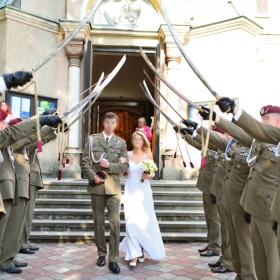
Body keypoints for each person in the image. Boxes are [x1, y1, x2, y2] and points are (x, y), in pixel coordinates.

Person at [211, 100, 280, 280]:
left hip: (270, 210)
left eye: (266, 119)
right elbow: (241, 133)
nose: (261, 122)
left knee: (273, 262)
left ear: (278, 123)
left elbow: (258, 130)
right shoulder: (261, 140)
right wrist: (217, 118)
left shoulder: (273, 139)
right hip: (254, 205)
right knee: (259, 259)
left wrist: (235, 110)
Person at [81, 112, 129, 274]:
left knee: (115, 223)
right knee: (98, 223)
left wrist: (110, 165)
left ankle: (114, 258)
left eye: (112, 123)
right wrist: (93, 176)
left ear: (116, 125)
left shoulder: (121, 143)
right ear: (103, 123)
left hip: (113, 189)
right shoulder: (93, 140)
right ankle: (102, 254)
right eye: (107, 122)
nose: (109, 125)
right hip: (97, 187)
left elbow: (125, 167)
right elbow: (84, 162)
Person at [119, 131, 166, 266]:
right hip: (130, 190)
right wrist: (120, 162)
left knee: (144, 221)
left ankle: (141, 251)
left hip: (143, 191)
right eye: (135, 139)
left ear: (143, 141)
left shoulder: (147, 155)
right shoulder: (127, 155)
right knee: (131, 221)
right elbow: (121, 173)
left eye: (140, 139)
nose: (138, 141)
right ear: (132, 141)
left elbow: (152, 173)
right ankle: (133, 255)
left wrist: (149, 175)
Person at [174, 126, 222, 258]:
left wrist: (215, 189)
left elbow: (219, 171)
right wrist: (184, 134)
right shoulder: (210, 145)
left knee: (214, 219)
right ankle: (211, 242)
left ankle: (216, 246)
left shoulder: (220, 147)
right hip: (206, 185)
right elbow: (197, 143)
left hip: (213, 188)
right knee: (208, 218)